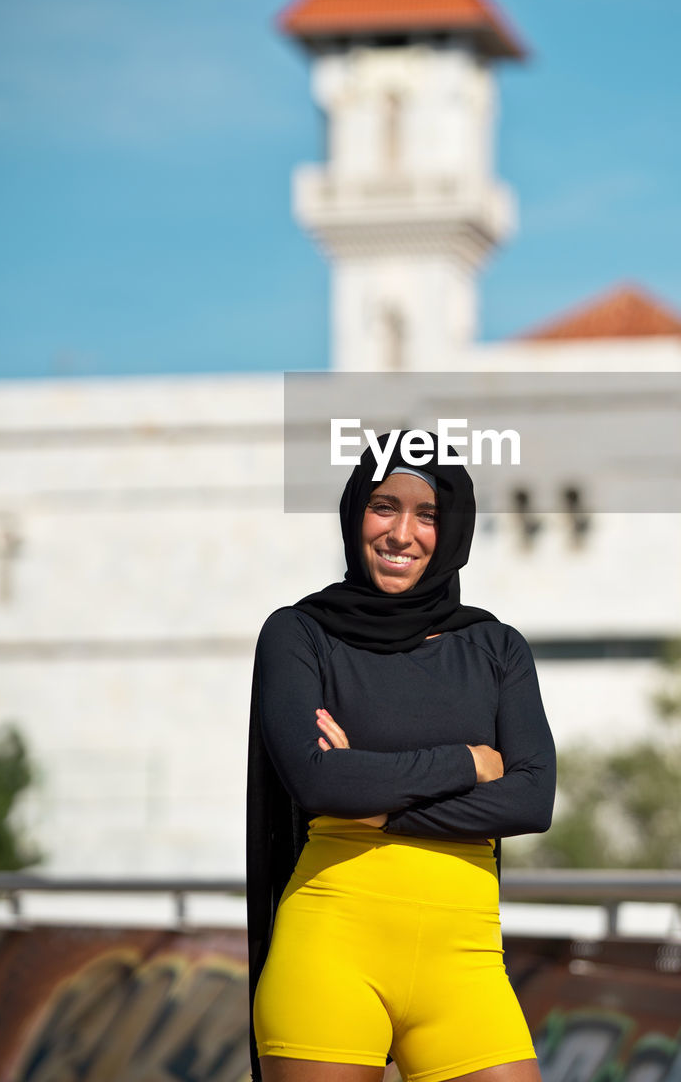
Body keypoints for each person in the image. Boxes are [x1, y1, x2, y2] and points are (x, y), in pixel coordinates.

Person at [246, 431, 556, 1082]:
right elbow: (316, 780)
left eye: (428, 516)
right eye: (384, 506)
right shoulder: (300, 634)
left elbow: (531, 797)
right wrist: (468, 762)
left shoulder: (496, 648)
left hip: (466, 961)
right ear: (355, 509)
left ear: (457, 529)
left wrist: (381, 809)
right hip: (330, 947)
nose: (402, 533)